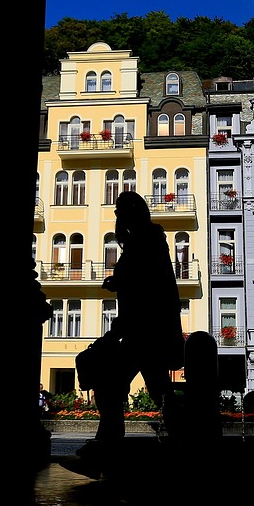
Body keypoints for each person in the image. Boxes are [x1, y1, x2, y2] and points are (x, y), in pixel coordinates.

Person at [87, 190, 185, 448]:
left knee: (112, 386)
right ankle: (184, 438)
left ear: (132, 212)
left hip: (142, 330)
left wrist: (121, 282)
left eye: (121, 210)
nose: (117, 215)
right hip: (142, 329)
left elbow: (148, 284)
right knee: (157, 388)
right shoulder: (146, 239)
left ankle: (108, 444)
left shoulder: (146, 239)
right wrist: (120, 282)